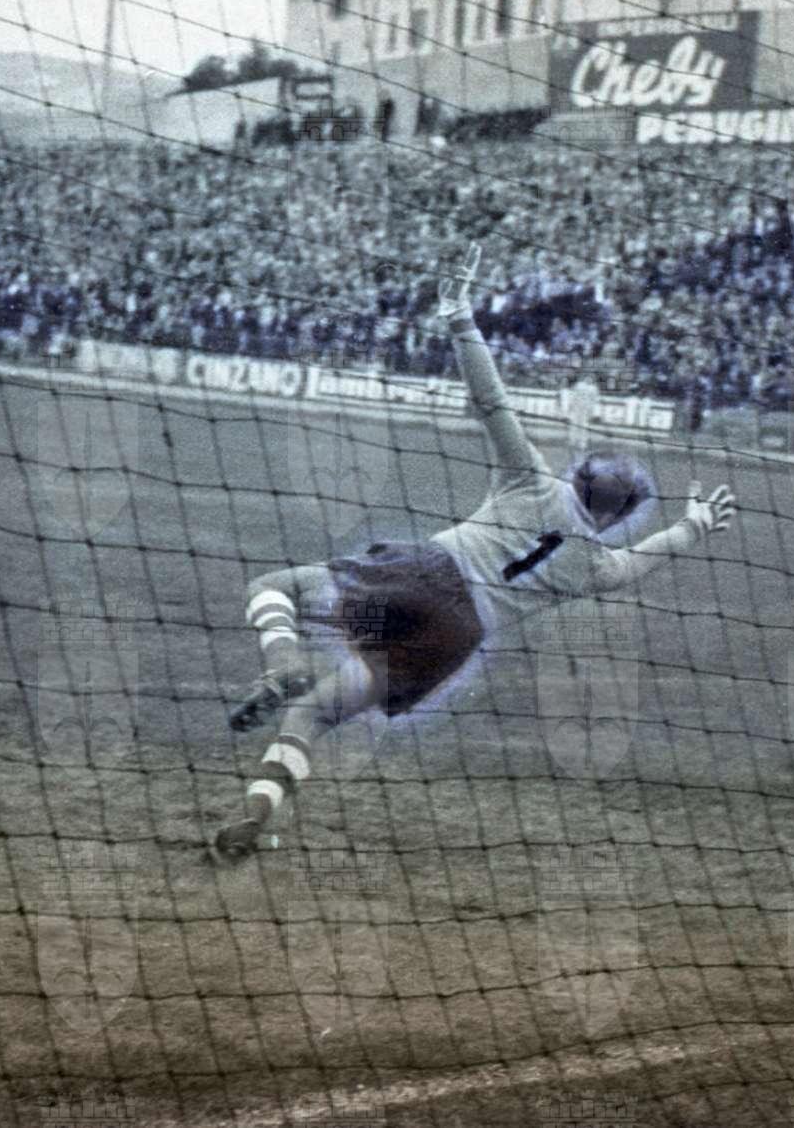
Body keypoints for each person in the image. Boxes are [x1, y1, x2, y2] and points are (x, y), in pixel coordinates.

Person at [210, 244, 737, 862]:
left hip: (420, 579)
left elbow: (491, 400)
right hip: (450, 640)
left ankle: (280, 663)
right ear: (618, 516)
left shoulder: (530, 479)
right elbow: (648, 553)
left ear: (581, 474)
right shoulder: (596, 566)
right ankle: (256, 815)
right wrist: (696, 525)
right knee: (316, 714)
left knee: (279, 587)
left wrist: (461, 318)